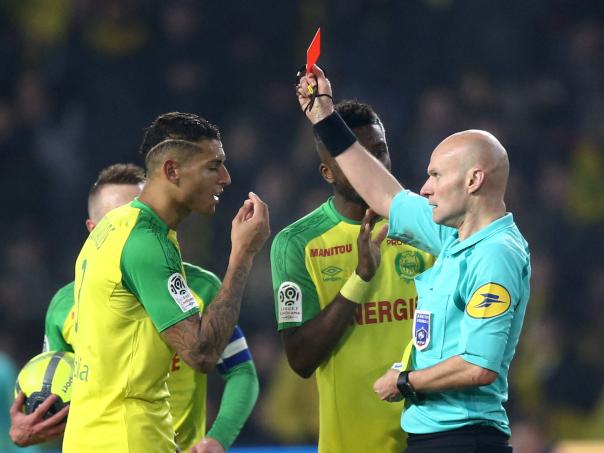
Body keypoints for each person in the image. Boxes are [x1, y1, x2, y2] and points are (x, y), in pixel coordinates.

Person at [296, 67, 530, 452]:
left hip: (463, 439)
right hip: (435, 438)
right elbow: (384, 194)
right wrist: (324, 115)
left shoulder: (495, 254)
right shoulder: (454, 236)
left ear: (473, 181)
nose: (425, 188)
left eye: (436, 175)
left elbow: (479, 366)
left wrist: (405, 381)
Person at [9, 163, 259, 452]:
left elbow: (241, 371)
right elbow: (56, 393)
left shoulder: (201, 289)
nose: (133, 229)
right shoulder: (64, 305)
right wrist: (29, 424)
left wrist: (217, 438)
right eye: (118, 220)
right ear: (93, 230)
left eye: (143, 217)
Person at [62, 113, 270, 452]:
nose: (226, 178)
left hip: (89, 433)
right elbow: (201, 354)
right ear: (172, 171)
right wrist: (243, 255)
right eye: (213, 166)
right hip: (128, 434)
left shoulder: (113, 228)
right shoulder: (146, 243)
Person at [271, 100, 434, 453]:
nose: (371, 164)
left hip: (430, 439)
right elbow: (300, 359)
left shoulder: (427, 225)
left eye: (379, 151)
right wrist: (360, 278)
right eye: (355, 155)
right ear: (327, 172)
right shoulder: (297, 243)